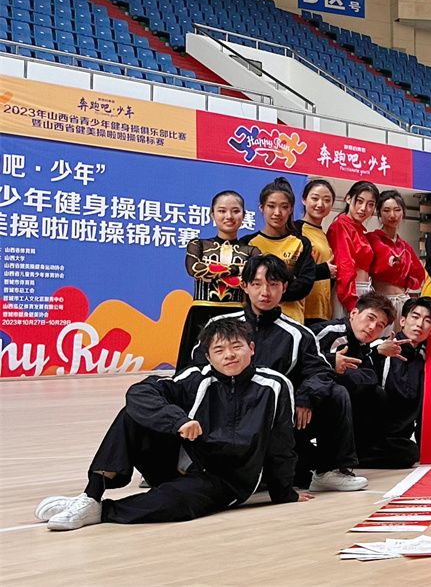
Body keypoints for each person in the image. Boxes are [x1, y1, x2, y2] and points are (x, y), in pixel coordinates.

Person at [35, 319, 307, 531]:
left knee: (177, 504)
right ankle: (91, 495)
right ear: (208, 357)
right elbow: (140, 393)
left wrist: (284, 493)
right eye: (219, 350)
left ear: (252, 349)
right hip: (179, 463)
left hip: (225, 481)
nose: (229, 355)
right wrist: (179, 420)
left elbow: (281, 443)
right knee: (131, 415)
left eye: (236, 347)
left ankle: (100, 511)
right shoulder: (195, 378)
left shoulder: (275, 386)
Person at [188, 255, 366, 492]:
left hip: (278, 422)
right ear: (244, 286)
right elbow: (196, 371)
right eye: (257, 284)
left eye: (273, 284)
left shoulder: (299, 333)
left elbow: (320, 372)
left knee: (336, 393)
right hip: (228, 418)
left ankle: (330, 470)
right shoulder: (220, 327)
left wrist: (305, 397)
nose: (265, 292)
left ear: (284, 287)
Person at [314, 295, 431, 469]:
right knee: (373, 392)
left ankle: (347, 456)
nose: (419, 324)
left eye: (427, 321)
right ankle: (339, 457)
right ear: (403, 321)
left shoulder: (427, 361)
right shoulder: (377, 346)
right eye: (415, 317)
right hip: (363, 426)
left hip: (393, 437)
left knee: (410, 453)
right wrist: (378, 352)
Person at [176, 190, 261, 369]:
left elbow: (251, 277)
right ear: (212, 215)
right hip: (201, 313)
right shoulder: (197, 244)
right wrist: (235, 269)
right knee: (196, 364)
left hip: (238, 314)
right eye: (222, 211)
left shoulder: (252, 250)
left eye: (235, 211)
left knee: (235, 362)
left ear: (244, 215)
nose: (229, 216)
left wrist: (213, 270)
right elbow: (194, 269)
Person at [241, 178, 316, 324]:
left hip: (291, 320)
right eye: (271, 206)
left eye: (284, 207)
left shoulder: (301, 243)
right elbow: (245, 280)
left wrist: (266, 290)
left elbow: (304, 285)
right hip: (254, 321)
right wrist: (286, 281)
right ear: (261, 207)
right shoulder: (247, 243)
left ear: (291, 209)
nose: (277, 212)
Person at [368, 190, 425, 321]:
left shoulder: (405, 247)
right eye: (386, 210)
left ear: (403, 212)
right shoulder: (372, 239)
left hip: (404, 301)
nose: (392, 215)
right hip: (381, 302)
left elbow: (419, 275)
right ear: (379, 213)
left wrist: (408, 282)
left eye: (397, 210)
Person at [326, 180, 380, 316]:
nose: (363, 208)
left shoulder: (359, 230)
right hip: (349, 293)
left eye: (370, 204)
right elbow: (345, 266)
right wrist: (351, 303)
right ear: (348, 199)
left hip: (362, 291)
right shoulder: (340, 226)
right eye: (359, 201)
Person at [297, 179, 338, 326]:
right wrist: (323, 270)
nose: (320, 204)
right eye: (315, 198)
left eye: (327, 200)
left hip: (322, 310)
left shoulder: (324, 235)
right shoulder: (296, 230)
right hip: (302, 310)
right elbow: (293, 270)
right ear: (304, 199)